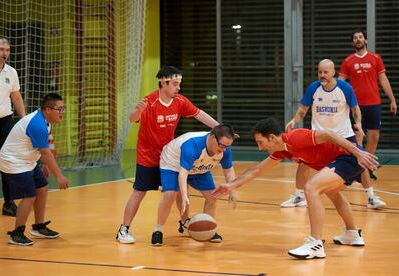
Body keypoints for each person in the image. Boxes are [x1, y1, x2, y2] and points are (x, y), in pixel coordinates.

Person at [212, 118, 378, 259]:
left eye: (260, 142)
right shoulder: (282, 151)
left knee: (311, 187)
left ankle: (315, 243)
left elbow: (328, 134)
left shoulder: (295, 137)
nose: (260, 148)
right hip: (345, 160)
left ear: (271, 138)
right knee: (331, 192)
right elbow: (256, 170)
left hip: (349, 157)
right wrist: (230, 185)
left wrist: (357, 152)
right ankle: (352, 233)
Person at [116, 66, 219, 244]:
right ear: (163, 82)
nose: (178, 88)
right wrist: (137, 111)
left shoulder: (179, 101)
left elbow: (199, 114)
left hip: (170, 156)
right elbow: (132, 119)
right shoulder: (150, 102)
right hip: (148, 157)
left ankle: (184, 223)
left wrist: (219, 129)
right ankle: (123, 229)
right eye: (175, 84)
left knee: (179, 190)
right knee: (139, 193)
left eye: (179, 84)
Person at [281, 59, 386, 209]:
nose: (322, 75)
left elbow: (356, 110)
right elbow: (303, 109)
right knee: (304, 162)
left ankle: (371, 197)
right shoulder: (313, 88)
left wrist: (359, 124)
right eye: (320, 72)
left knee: (360, 161)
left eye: (325, 72)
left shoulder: (345, 88)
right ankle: (299, 196)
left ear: (333, 73)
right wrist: (294, 120)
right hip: (320, 135)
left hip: (343, 135)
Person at [0, 93, 69, 246]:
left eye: (63, 109)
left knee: (42, 188)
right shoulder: (37, 123)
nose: (62, 112)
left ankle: (38, 227)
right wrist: (59, 176)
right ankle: (17, 233)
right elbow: (45, 153)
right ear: (48, 109)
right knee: (30, 195)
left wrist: (44, 165)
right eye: (60, 109)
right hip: (14, 161)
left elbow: (43, 148)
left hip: (27, 160)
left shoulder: (45, 122)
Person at [151, 124, 237, 246]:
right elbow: (183, 173)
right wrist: (185, 195)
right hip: (173, 164)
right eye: (222, 145)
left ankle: (208, 230)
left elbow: (228, 170)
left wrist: (232, 190)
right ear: (212, 137)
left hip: (198, 166)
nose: (224, 149)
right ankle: (158, 230)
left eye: (227, 146)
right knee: (170, 195)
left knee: (212, 197)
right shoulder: (192, 145)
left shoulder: (224, 149)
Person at [339, 29, 397, 181]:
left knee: (374, 137)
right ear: (353, 43)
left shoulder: (375, 58)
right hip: (355, 106)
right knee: (357, 138)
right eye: (355, 38)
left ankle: (366, 167)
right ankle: (357, 170)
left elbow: (383, 79)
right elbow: (340, 83)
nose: (358, 39)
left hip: (373, 104)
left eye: (360, 37)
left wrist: (392, 99)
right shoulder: (348, 61)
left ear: (365, 40)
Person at [0, 35, 26, 217]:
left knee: (8, 164)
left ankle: (9, 203)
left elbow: (16, 97)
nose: (5, 53)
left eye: (7, 50)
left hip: (5, 123)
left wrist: (24, 121)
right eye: (2, 49)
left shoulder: (11, 72)